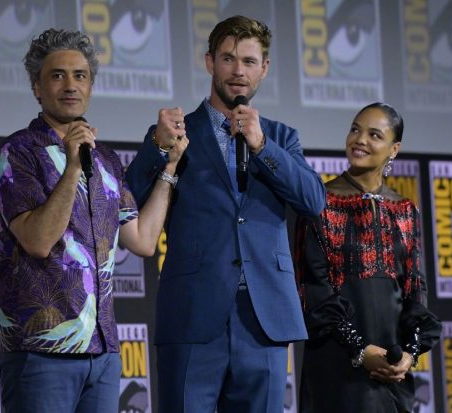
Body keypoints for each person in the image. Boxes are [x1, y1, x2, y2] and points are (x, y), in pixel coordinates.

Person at [125, 15, 326, 413]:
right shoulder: (177, 131)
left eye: (249, 61)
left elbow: (314, 201)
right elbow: (128, 198)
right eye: (228, 59)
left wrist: (261, 145)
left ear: (264, 69)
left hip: (263, 318)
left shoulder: (281, 137)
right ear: (209, 62)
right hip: (192, 314)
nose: (238, 71)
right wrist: (157, 146)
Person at [0, 28, 188, 413]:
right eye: (57, 75)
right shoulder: (17, 153)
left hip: (103, 352)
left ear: (90, 86)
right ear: (37, 87)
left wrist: (169, 169)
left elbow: (143, 240)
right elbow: (38, 240)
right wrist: (73, 167)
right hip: (40, 352)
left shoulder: (106, 159)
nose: (70, 85)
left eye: (80, 76)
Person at [294, 102, 442, 412]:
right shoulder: (320, 203)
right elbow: (313, 289)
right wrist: (360, 351)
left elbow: (415, 290)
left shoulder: (405, 210)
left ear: (394, 149)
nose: (360, 140)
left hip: (391, 370)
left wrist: (409, 354)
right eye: (355, 130)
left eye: (374, 134)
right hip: (336, 367)